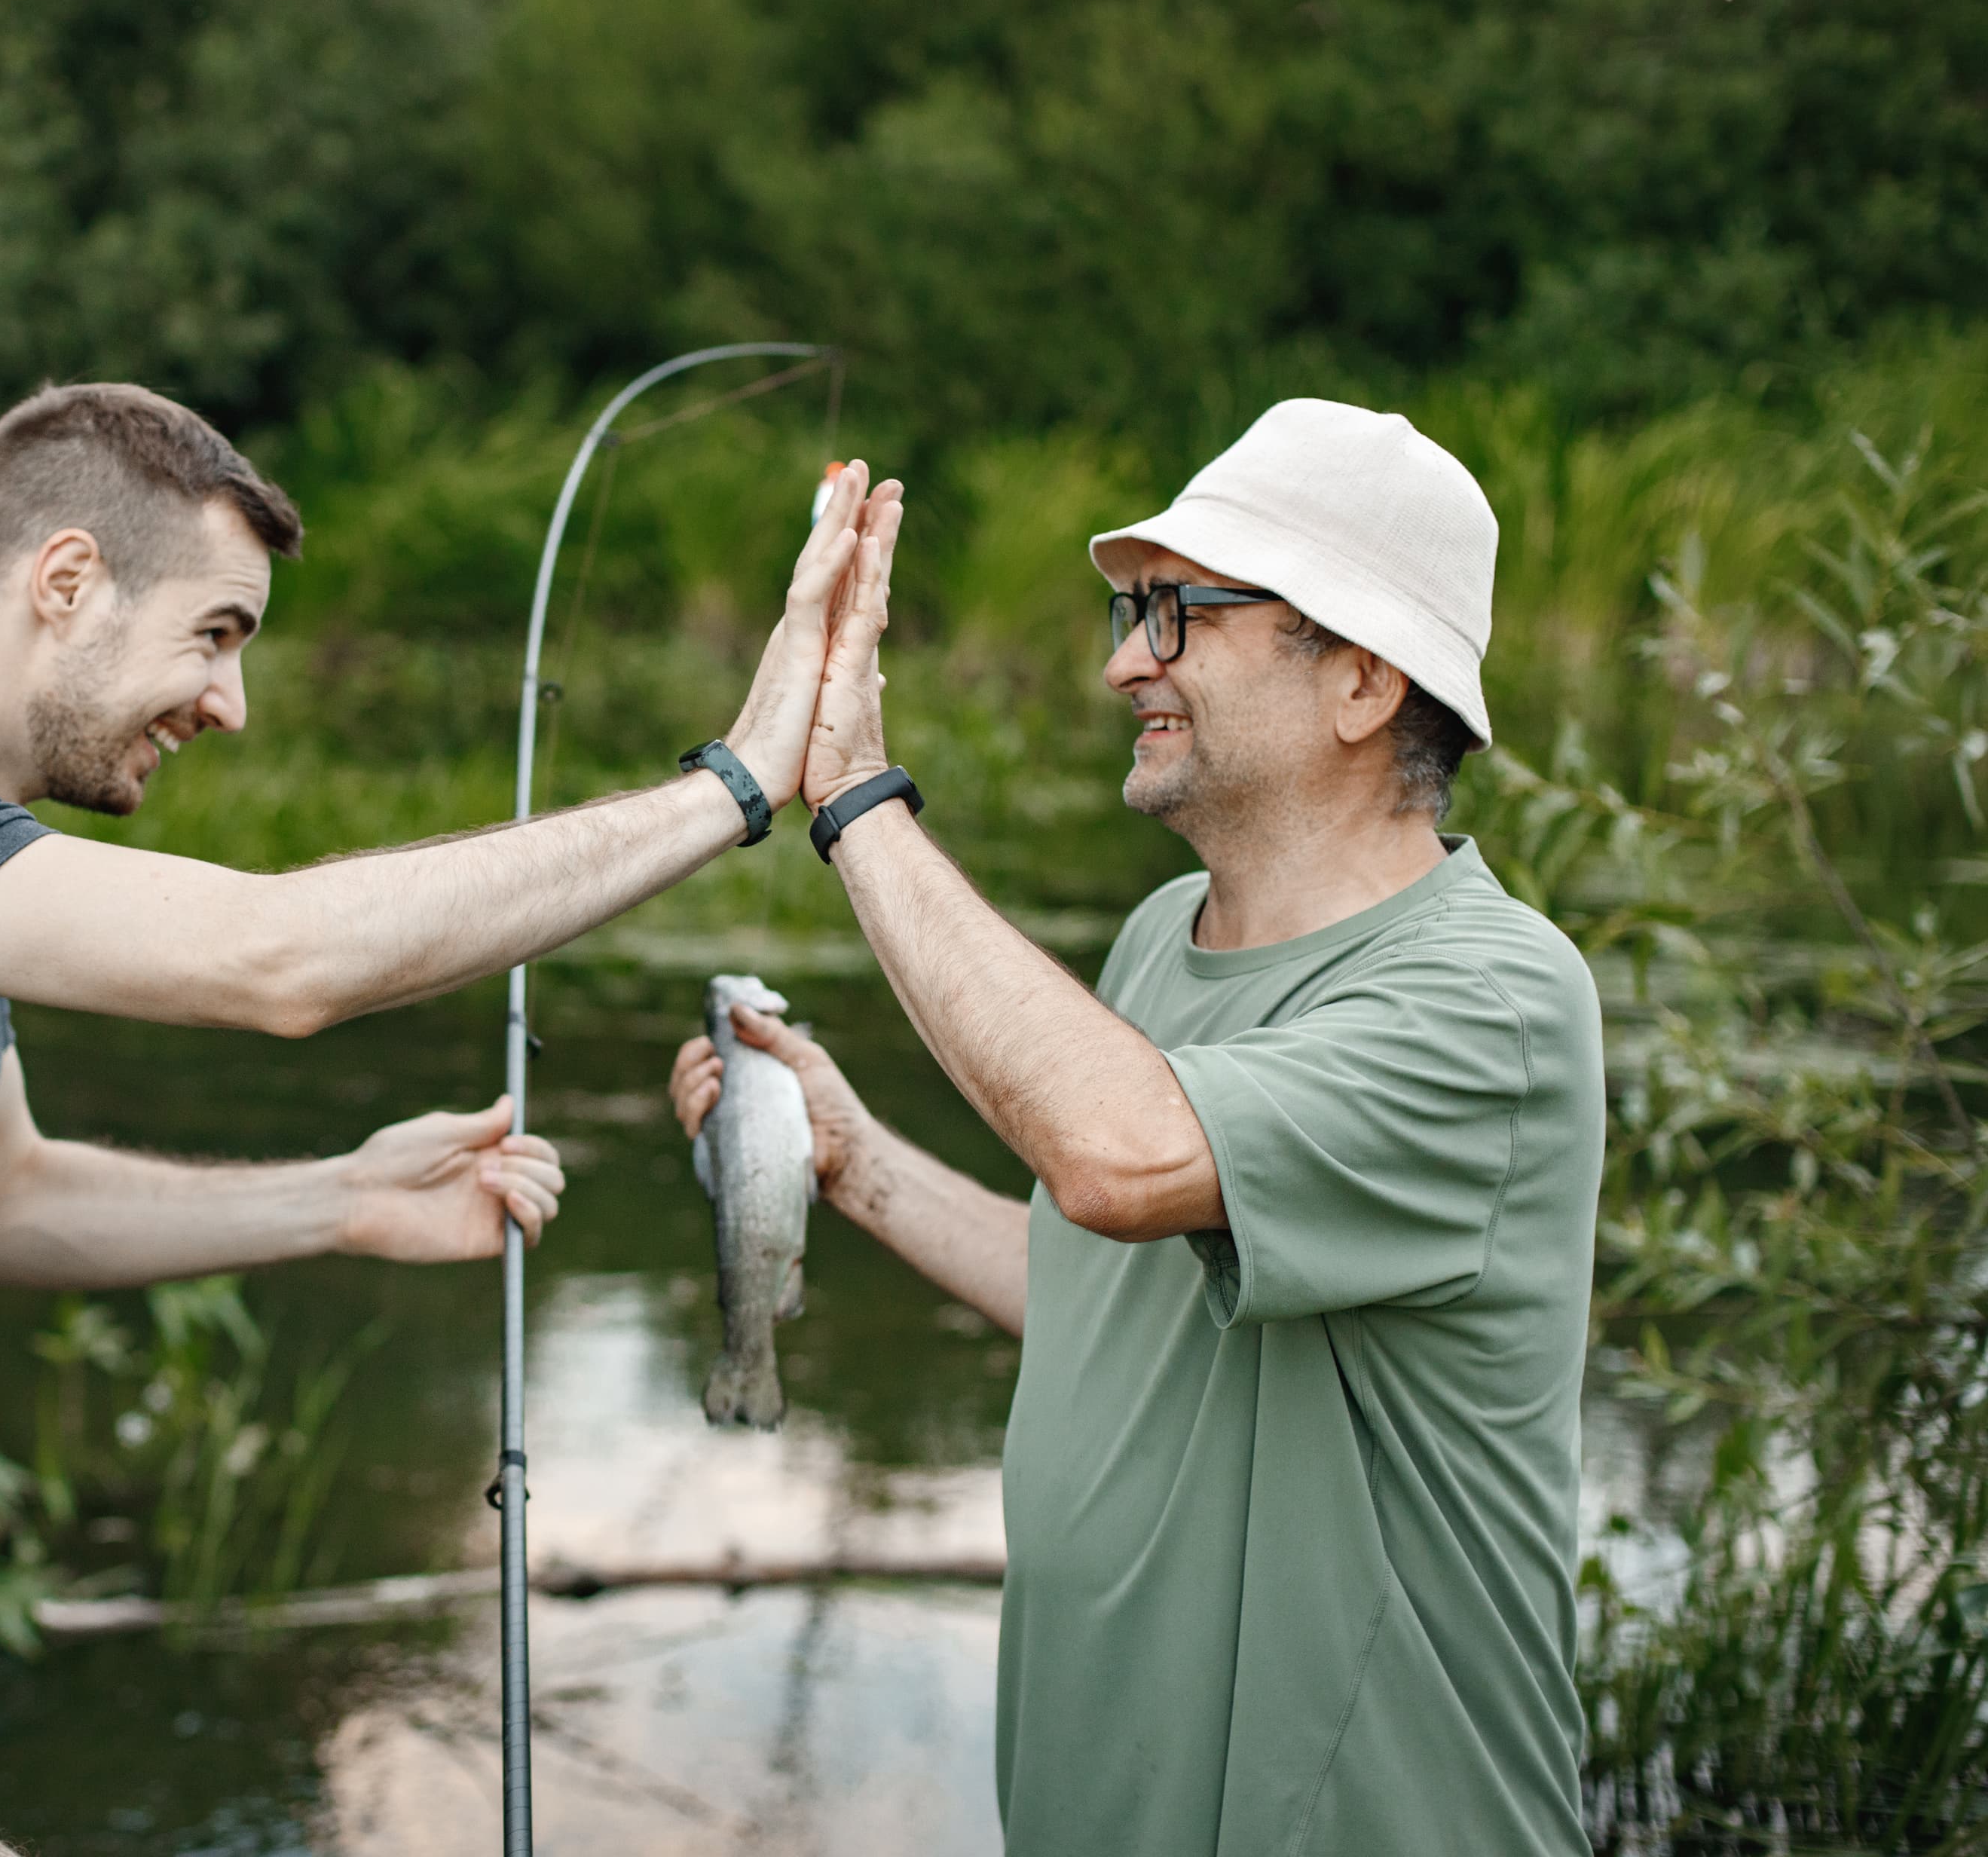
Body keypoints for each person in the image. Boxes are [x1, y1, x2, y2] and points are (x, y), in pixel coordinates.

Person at [0, 381, 904, 1857]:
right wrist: (731, 784)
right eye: (216, 633)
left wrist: (339, 1196)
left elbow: (2, 1196)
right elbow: (276, 959)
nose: (231, 703)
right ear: (66, 581)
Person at [670, 399, 1603, 1855]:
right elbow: (1109, 1301)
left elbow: (1120, 1159)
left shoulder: (1495, 1000)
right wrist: (851, 1161)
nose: (1123, 663)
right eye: (1127, 611)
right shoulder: (1165, 939)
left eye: (1175, 614)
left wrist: (856, 790)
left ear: (1361, 678)